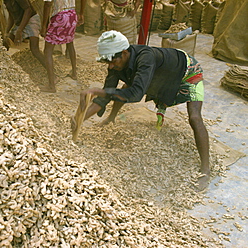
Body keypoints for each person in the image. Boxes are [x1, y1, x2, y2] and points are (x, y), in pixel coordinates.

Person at [72, 30, 210, 191]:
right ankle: (111, 118)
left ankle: (205, 170)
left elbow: (136, 94)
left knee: (194, 117)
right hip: (163, 73)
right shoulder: (116, 63)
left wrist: (98, 91)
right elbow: (106, 95)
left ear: (124, 53)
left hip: (186, 71)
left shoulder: (146, 58)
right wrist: (79, 119)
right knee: (123, 88)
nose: (110, 66)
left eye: (112, 61)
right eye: (107, 62)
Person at [40, 0, 87, 92]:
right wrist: (81, 13)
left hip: (60, 17)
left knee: (47, 51)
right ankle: (74, 73)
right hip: (72, 14)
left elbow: (47, 4)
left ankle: (51, 86)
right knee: (70, 42)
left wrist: (43, 26)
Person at [3, 0, 46, 68]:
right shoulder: (5, 1)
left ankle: (52, 74)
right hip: (20, 22)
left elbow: (28, 10)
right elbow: (11, 16)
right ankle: (3, 66)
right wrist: (6, 32)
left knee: (35, 50)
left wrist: (19, 31)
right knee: (5, 42)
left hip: (31, 19)